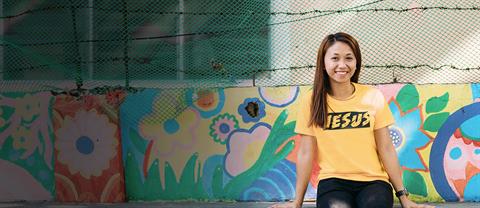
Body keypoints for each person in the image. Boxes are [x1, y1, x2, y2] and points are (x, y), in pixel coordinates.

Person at [271, 32, 434, 208]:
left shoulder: (372, 96)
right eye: (335, 58)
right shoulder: (312, 101)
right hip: (332, 183)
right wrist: (297, 202)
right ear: (323, 63)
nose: (342, 65)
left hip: (374, 182)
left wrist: (403, 197)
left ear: (356, 63)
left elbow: (386, 148)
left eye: (349, 58)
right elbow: (305, 153)